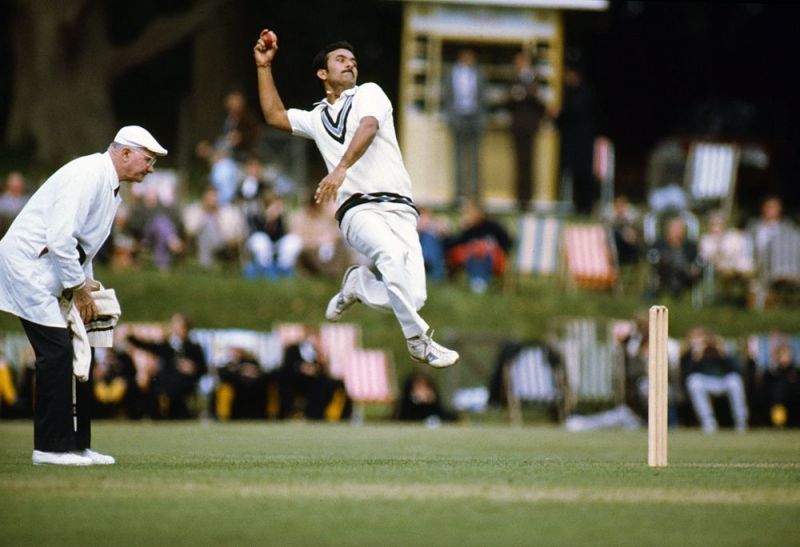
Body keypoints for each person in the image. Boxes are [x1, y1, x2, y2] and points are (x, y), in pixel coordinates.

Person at [254, 31, 459, 368]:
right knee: (390, 256)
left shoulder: (369, 93)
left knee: (415, 296)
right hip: (358, 208)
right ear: (323, 73)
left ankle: (360, 284)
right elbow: (275, 115)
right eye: (340, 60)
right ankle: (418, 342)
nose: (350, 64)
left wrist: (340, 168)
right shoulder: (317, 117)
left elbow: (368, 127)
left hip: (401, 209)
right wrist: (263, 67)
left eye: (352, 61)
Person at [0, 125, 168, 465]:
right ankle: (49, 447)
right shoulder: (87, 175)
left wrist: (88, 285)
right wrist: (78, 290)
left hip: (52, 270)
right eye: (147, 160)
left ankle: (77, 444)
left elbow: (81, 249)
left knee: (82, 349)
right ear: (124, 153)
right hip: (28, 268)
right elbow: (61, 238)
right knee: (57, 351)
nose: (151, 168)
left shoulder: (109, 186)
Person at [125, 313, 208, 419]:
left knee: (177, 388)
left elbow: (204, 369)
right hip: (166, 382)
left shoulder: (194, 348)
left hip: (184, 383)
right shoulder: (166, 346)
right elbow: (147, 345)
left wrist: (193, 367)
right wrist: (130, 336)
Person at [680, 326, 748, 433]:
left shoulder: (723, 350)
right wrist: (697, 355)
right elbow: (686, 374)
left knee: (735, 381)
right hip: (705, 381)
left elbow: (738, 370)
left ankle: (741, 421)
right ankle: (708, 422)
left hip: (723, 381)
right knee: (694, 382)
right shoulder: (694, 353)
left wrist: (723, 353)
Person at [442, 48, 487, 205]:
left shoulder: (479, 73)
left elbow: (483, 97)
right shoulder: (451, 73)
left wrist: (483, 118)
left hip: (474, 117)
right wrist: (449, 116)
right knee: (458, 157)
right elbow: (446, 95)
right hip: (458, 117)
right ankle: (459, 194)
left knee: (475, 157)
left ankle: (475, 195)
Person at [445, 200, 512, 293]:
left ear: (479, 213)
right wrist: (462, 229)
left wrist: (489, 248)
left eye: (469, 213)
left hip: (492, 258)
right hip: (472, 257)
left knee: (481, 253)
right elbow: (455, 245)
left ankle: (479, 282)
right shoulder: (469, 229)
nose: (467, 216)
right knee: (475, 253)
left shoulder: (493, 226)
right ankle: (478, 282)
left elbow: (507, 243)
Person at [507, 51, 545, 211]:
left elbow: (539, 101)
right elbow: (509, 100)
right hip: (517, 126)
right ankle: (519, 198)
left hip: (529, 126)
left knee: (528, 162)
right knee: (519, 162)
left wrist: (525, 95)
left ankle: (528, 198)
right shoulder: (513, 79)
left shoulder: (535, 78)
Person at [645, 216, 702, 300]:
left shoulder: (690, 245)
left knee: (678, 257)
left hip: (686, 276)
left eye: (680, 229)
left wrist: (696, 268)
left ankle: (677, 286)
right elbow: (651, 256)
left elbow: (698, 260)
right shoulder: (659, 243)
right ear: (668, 230)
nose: (677, 232)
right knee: (672, 257)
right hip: (664, 273)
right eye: (674, 229)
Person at [0, 171, 29, 237]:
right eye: (14, 185)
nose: (17, 187)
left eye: (19, 184)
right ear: (8, 185)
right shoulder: (2, 202)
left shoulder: (27, 200)